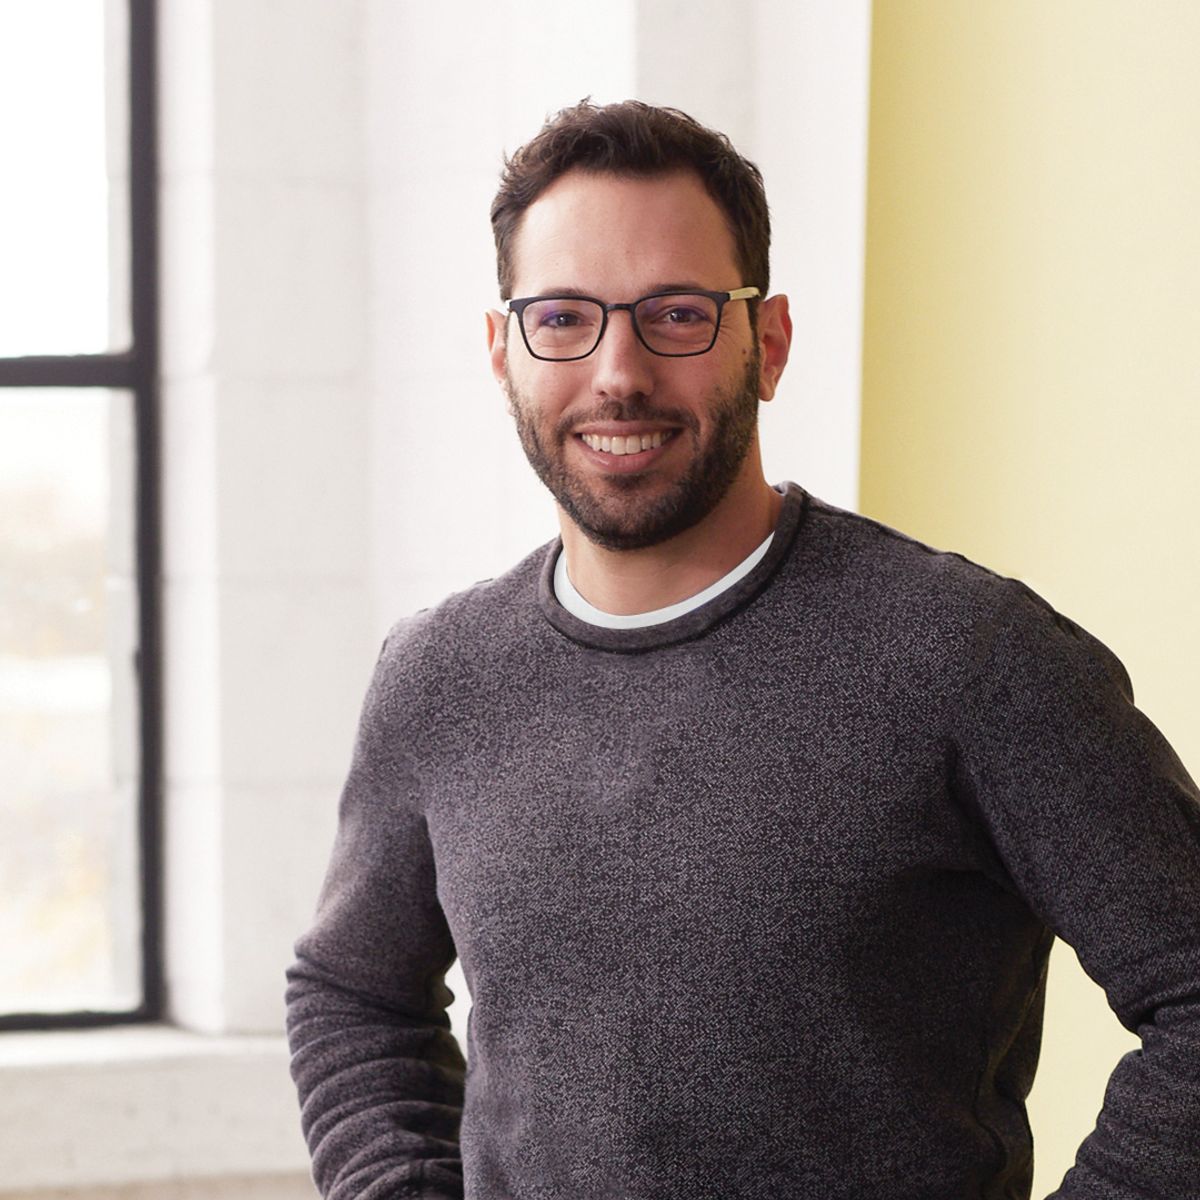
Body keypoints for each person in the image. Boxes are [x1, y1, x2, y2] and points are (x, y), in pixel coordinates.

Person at [285, 100, 1200, 1200]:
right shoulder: (437, 676)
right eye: (565, 317)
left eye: (675, 313)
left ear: (766, 344)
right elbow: (351, 992)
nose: (617, 371)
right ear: (504, 353)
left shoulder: (969, 658)